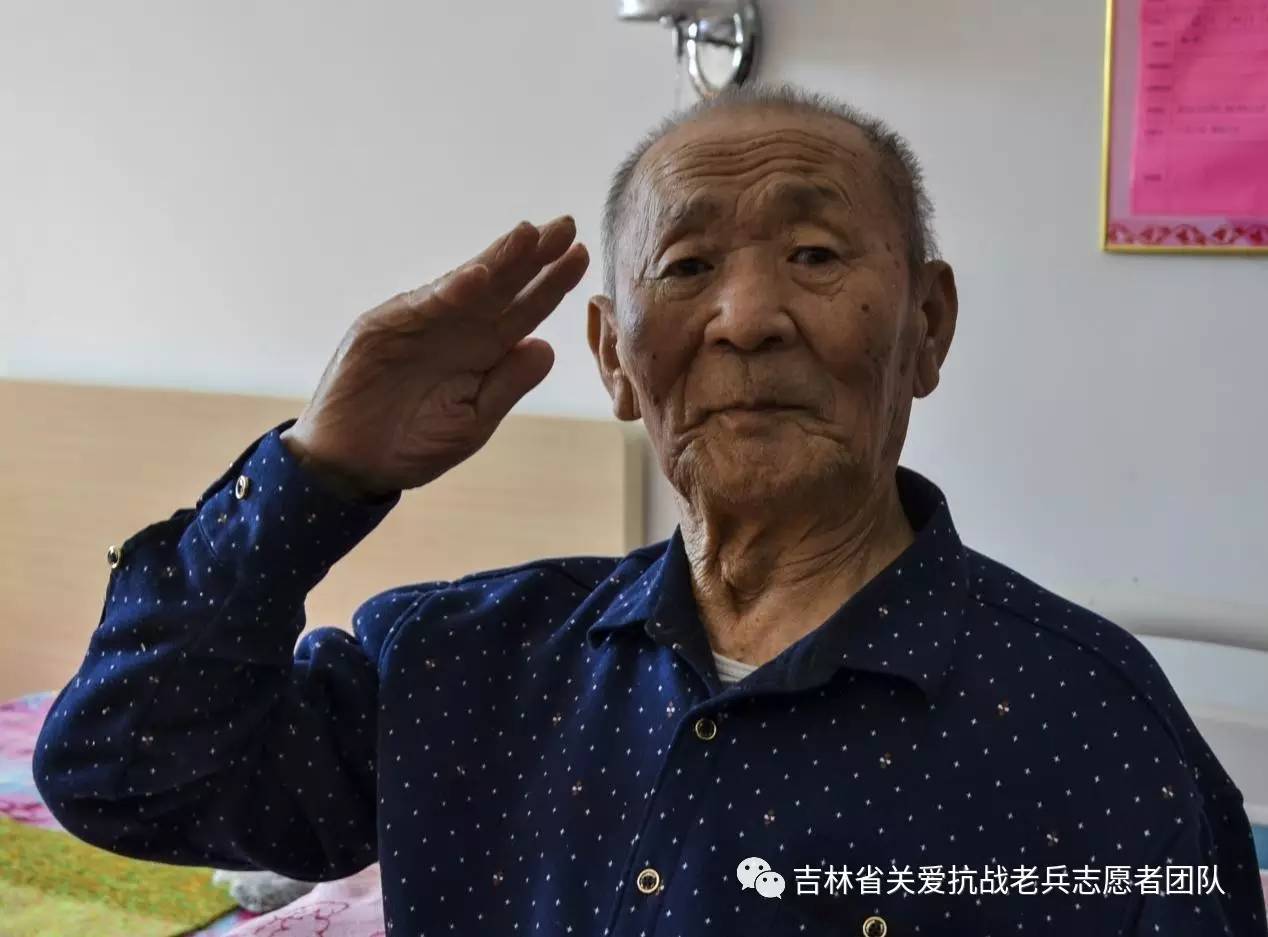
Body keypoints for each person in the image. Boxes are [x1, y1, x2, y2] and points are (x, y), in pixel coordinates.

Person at [35, 83, 1266, 936]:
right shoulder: (458, 666)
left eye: (815, 255)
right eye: (685, 267)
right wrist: (317, 473)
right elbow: (122, 770)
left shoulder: (1084, 728)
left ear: (927, 326)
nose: (747, 317)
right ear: (614, 358)